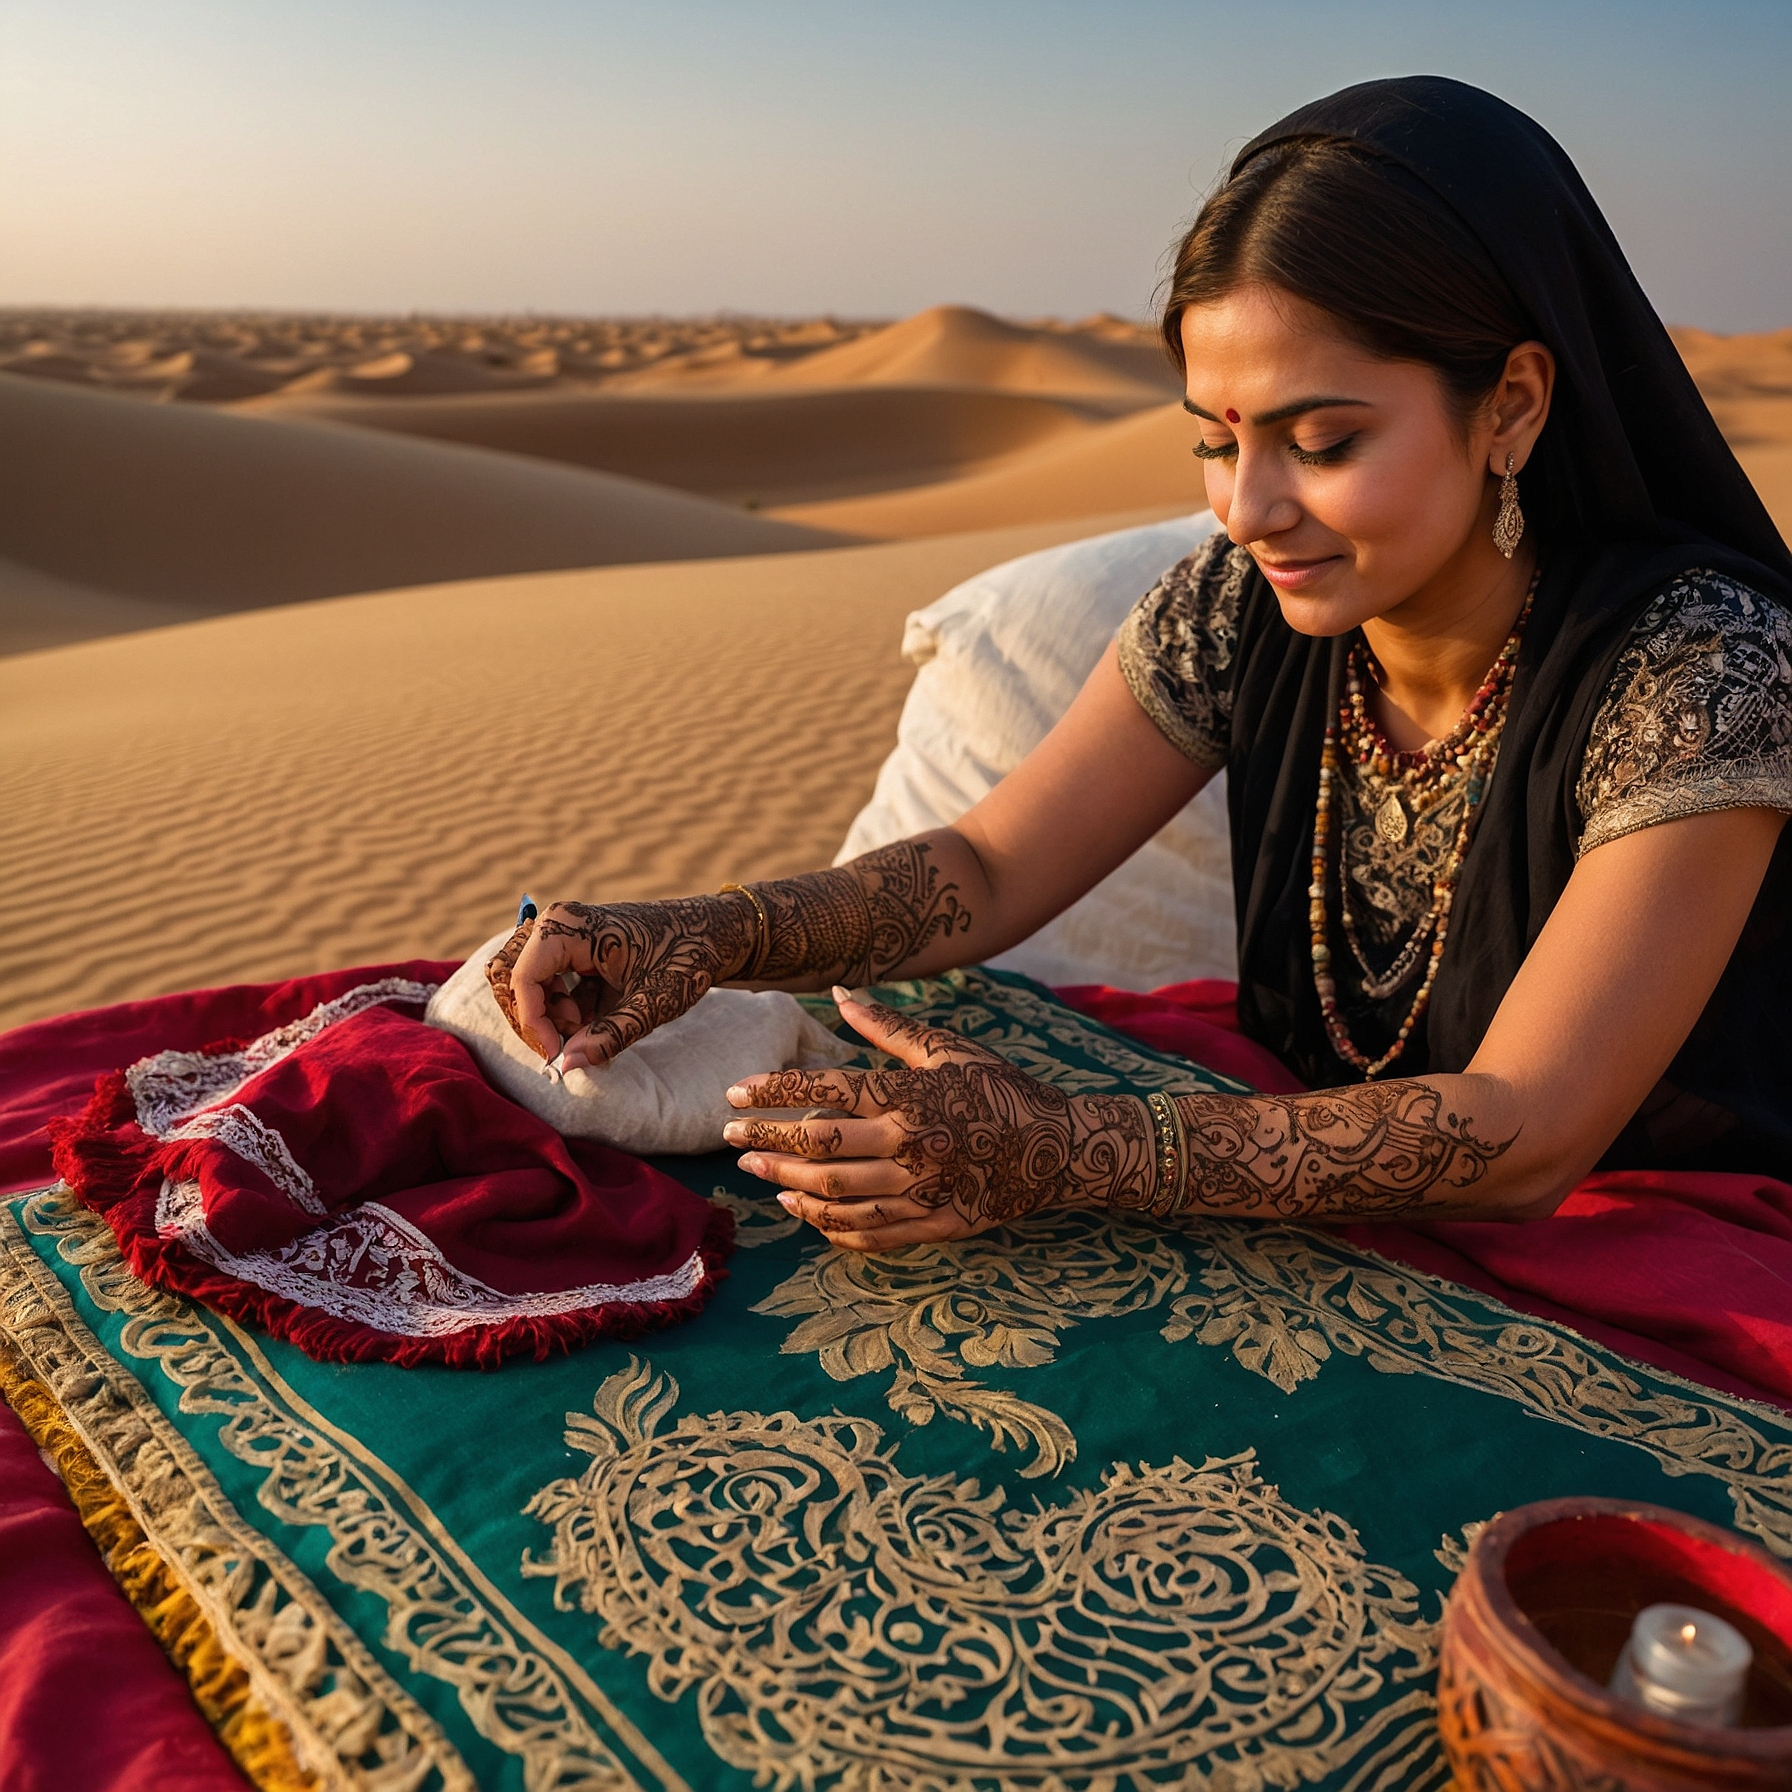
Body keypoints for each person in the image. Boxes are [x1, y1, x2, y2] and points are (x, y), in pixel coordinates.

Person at [490, 76, 1792, 1252]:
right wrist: (707, 934)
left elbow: (1526, 1131)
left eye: (1324, 440)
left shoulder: (1702, 670)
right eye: (1217, 442)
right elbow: (990, 866)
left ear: (1509, 403)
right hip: (1294, 1181)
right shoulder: (1244, 604)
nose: (1248, 508)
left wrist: (1069, 1150)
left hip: (1656, 1227)